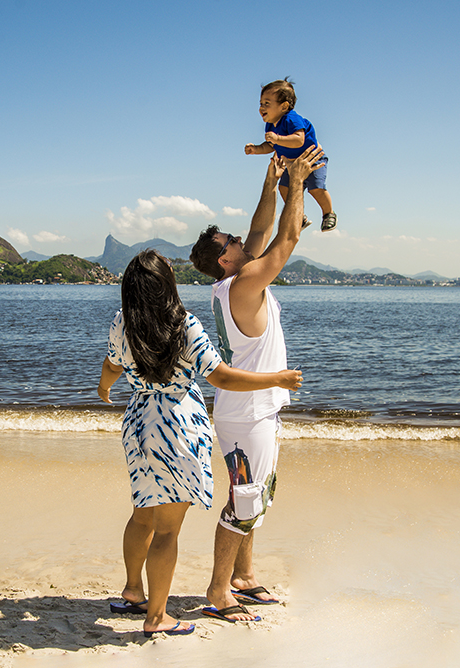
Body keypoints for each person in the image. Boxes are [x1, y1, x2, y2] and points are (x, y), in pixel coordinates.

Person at [98, 250, 302, 637]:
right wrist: (275, 378)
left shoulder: (123, 322)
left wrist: (104, 388)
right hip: (177, 428)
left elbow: (112, 366)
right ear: (166, 285)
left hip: (139, 424)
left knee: (143, 514)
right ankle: (156, 617)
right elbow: (221, 377)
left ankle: (132, 591)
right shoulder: (183, 325)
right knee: (167, 531)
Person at [188, 145, 325, 622]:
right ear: (224, 260)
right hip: (246, 411)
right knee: (246, 500)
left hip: (247, 408)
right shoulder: (244, 283)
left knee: (253, 493)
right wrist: (300, 183)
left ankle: (243, 577)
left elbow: (263, 229)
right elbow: (284, 241)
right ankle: (218, 590)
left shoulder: (232, 280)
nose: (241, 241)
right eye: (231, 242)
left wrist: (270, 186)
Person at [245, 77, 337, 232]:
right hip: (292, 163)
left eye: (267, 103)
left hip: (313, 160)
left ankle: (328, 213)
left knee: (316, 188)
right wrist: (257, 149)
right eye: (261, 103)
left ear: (284, 106)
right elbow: (271, 145)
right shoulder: (270, 125)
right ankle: (299, 216)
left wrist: (278, 138)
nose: (261, 107)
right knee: (284, 188)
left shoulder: (291, 118)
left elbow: (299, 140)